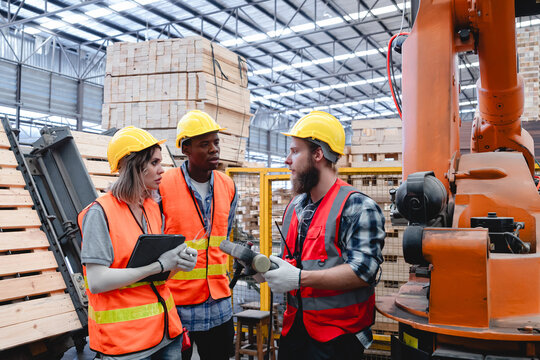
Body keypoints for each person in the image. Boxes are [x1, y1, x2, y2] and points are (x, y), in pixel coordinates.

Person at [262, 111, 386, 360]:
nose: (287, 160)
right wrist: (264, 269)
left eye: (295, 151)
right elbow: (293, 259)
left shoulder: (358, 207)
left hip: (338, 337)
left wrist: (299, 278)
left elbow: (365, 270)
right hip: (295, 331)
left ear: (318, 154)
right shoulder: (295, 207)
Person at [79, 126, 198, 360]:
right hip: (127, 344)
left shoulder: (151, 208)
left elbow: (161, 274)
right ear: (134, 165)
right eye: (154, 163)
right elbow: (97, 282)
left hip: (165, 333)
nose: (162, 170)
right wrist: (160, 266)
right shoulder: (100, 212)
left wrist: (179, 263)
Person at [159, 110, 238, 360]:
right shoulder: (163, 185)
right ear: (186, 149)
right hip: (178, 303)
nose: (214, 149)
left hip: (219, 304)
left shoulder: (228, 185)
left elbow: (223, 236)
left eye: (216, 142)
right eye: (205, 144)